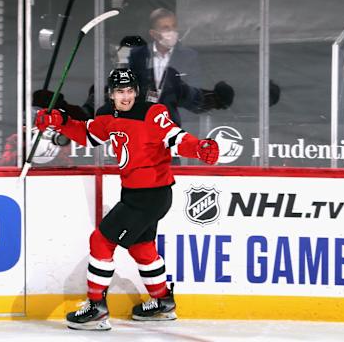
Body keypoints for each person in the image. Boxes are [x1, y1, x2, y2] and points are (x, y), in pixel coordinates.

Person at [34, 68, 219, 331]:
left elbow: (175, 138)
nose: (126, 96)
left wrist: (198, 148)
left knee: (101, 240)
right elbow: (88, 135)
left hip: (151, 194)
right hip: (134, 192)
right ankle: (162, 302)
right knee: (142, 248)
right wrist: (60, 121)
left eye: (130, 91)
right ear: (111, 93)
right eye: (120, 91)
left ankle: (96, 307)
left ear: (137, 92)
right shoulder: (106, 115)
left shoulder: (152, 113)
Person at [128, 8, 234, 127]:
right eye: (165, 28)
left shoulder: (189, 56)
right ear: (153, 33)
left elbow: (195, 92)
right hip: (144, 123)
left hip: (179, 124)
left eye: (174, 26)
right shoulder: (138, 55)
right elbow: (131, 91)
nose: (172, 31)